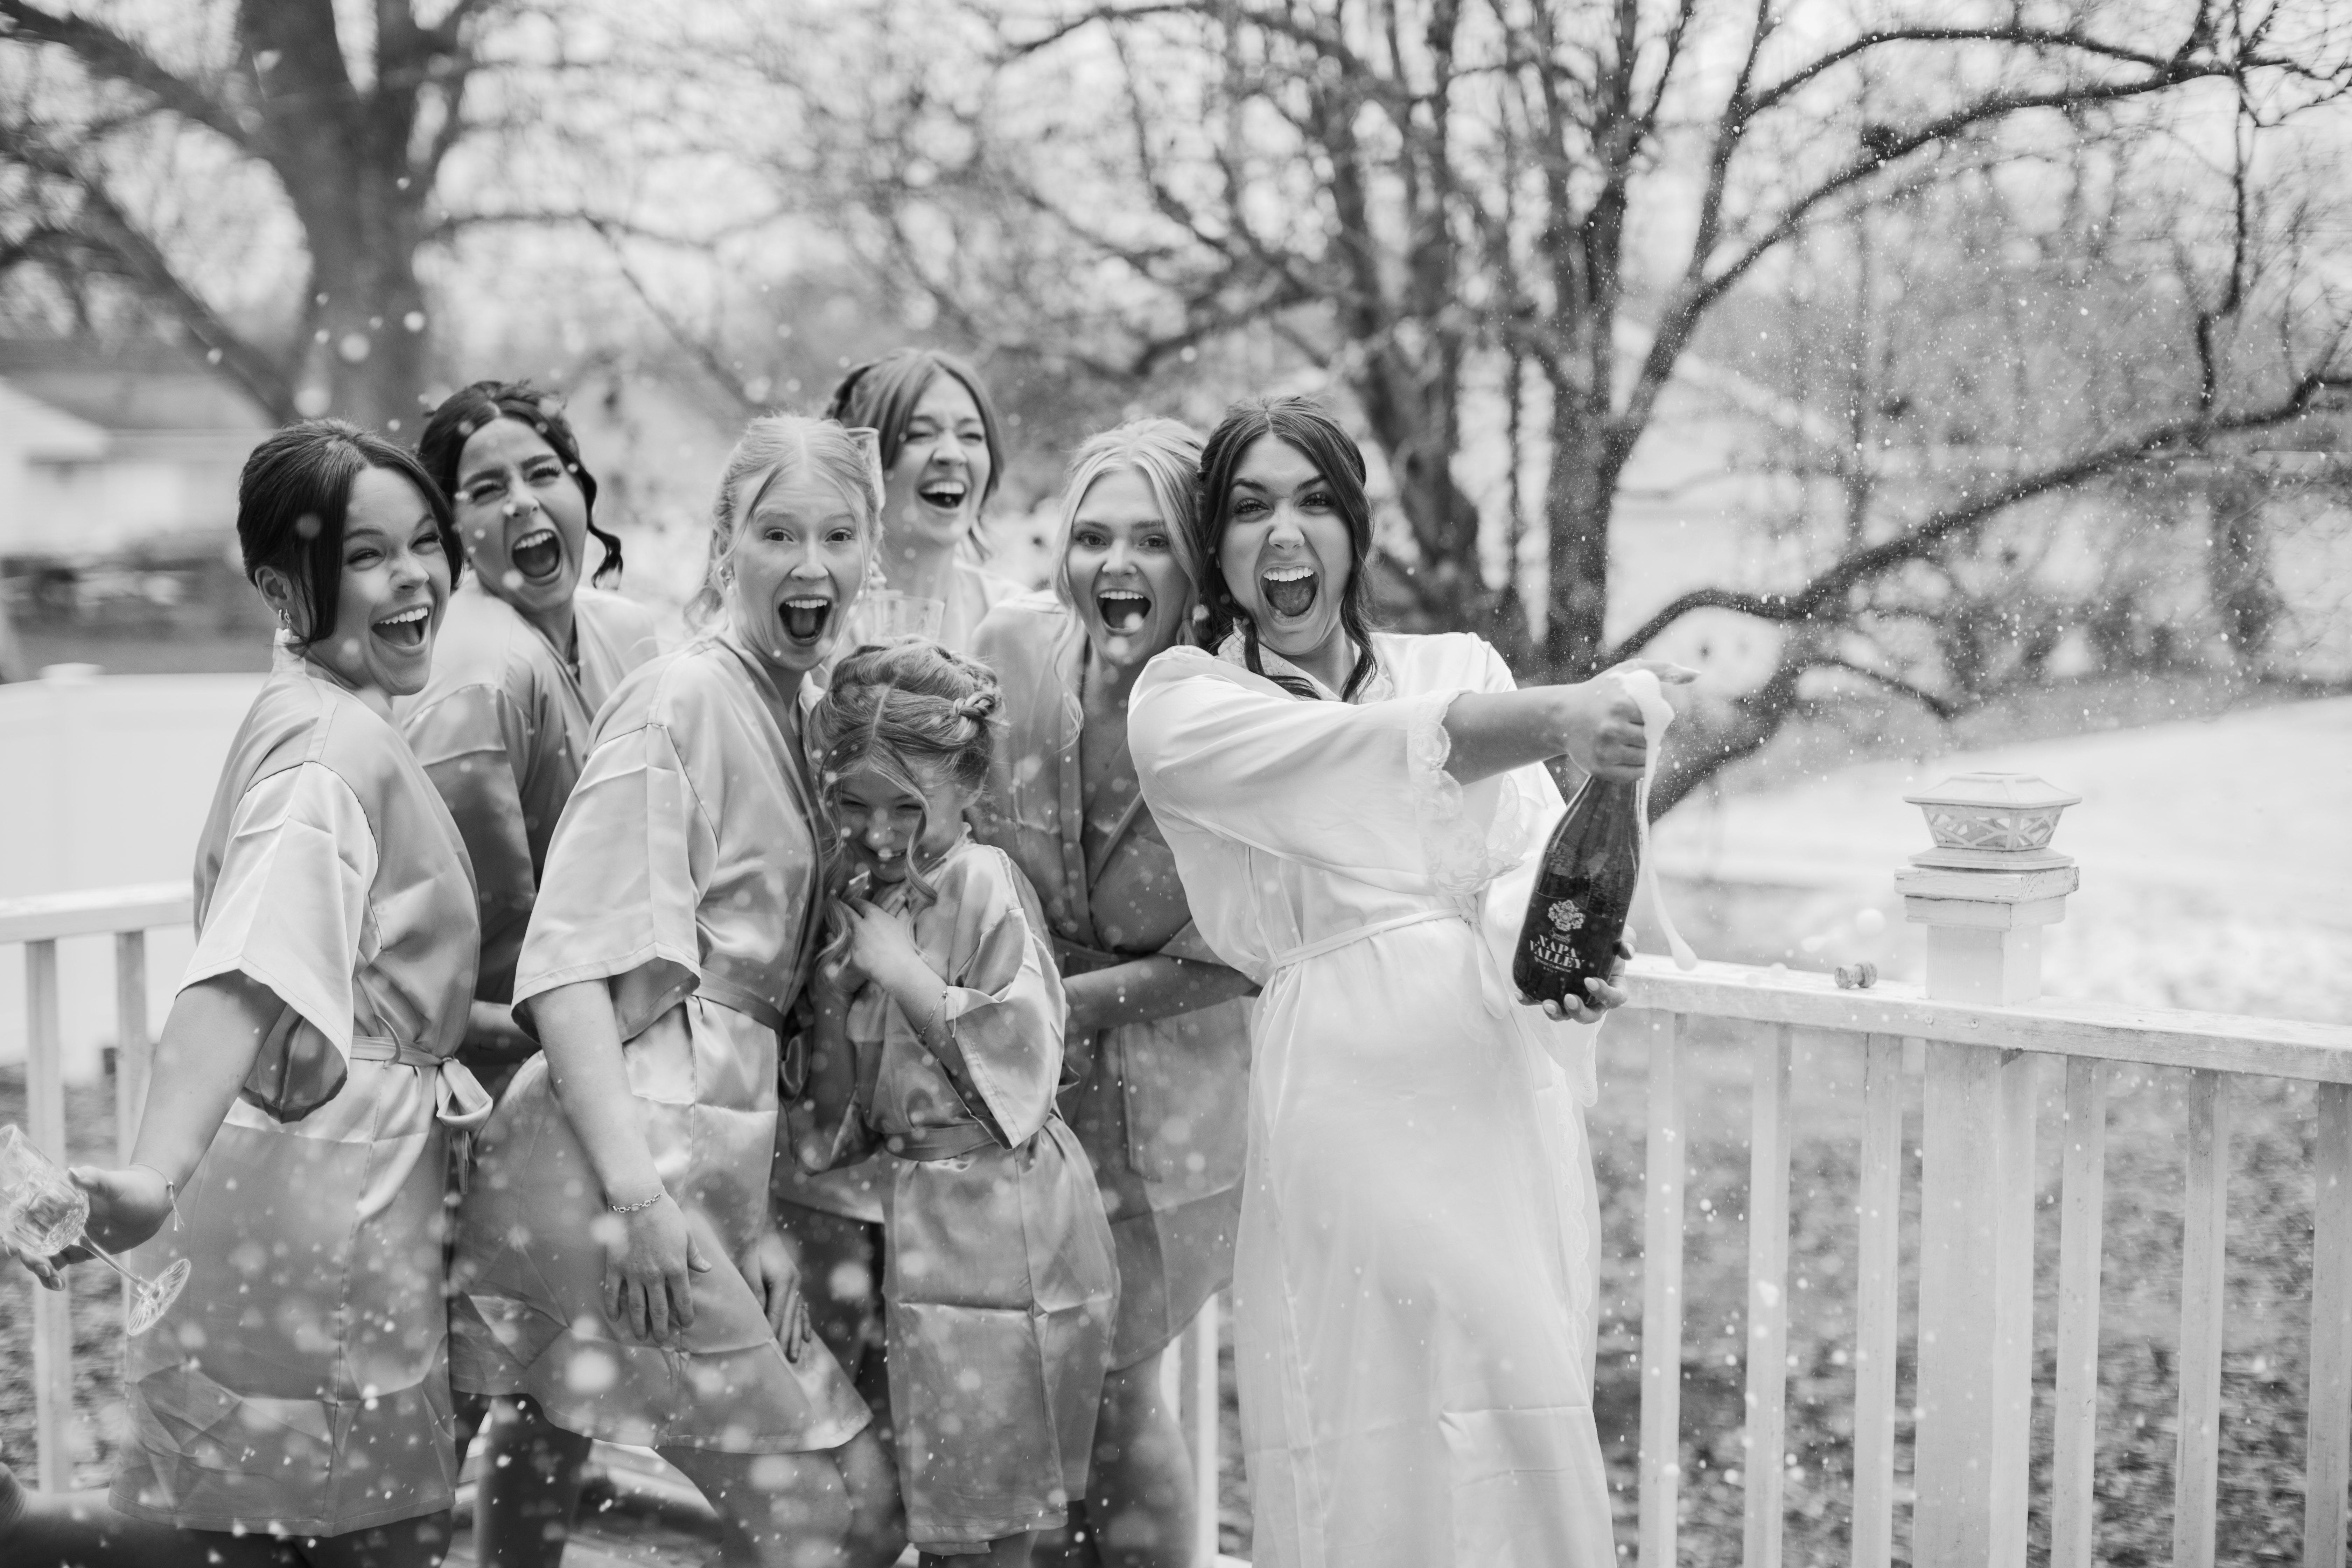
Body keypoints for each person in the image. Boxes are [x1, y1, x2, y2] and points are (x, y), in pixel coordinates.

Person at [1126, 397, 1683, 1568]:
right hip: (1341, 1085)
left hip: (1491, 1081)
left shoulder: (1457, 665)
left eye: (1315, 502)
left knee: (1522, 1392)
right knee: (1368, 1417)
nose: (1286, 532)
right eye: (1251, 508)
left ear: (1357, 530)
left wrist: (1558, 969)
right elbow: (1363, 764)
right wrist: (1559, 715)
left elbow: (1526, 869)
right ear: (1216, 546)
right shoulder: (1185, 702)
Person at [0, 420, 493, 1567]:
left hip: (306, 1174)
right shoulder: (327, 753)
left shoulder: (322, 718)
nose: (413, 576)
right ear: (280, 588)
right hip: (323, 1194)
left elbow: (360, 978)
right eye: (366, 555)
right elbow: (243, 971)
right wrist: (153, 1175)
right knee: (354, 1529)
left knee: (261, 1520)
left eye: (424, 542)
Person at [444, 415, 900, 1568]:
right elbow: (567, 970)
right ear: (723, 544)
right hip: (618, 1162)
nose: (810, 563)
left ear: (870, 551)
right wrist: (641, 1200)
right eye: (778, 533)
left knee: (554, 1438)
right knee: (826, 1516)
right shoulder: (680, 699)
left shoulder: (802, 712)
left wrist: (750, 1219)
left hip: (701, 1165)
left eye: (838, 535)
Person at [971, 420, 1259, 1567]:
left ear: (1197, 564)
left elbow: (1246, 949)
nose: (1116, 565)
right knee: (1029, 1380)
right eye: (1093, 537)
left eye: (1151, 540)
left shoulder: (1237, 712)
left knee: (1117, 1381)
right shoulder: (1007, 651)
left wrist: (1063, 1006)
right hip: (1009, 1095)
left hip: (1170, 1101)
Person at [398, 382, 664, 1566]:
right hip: (485, 1090)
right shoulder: (475, 675)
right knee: (454, 1401)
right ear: (451, 529)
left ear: (581, 488)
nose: (523, 503)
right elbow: (458, 946)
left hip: (579, 1078)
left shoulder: (613, 632)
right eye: (485, 487)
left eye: (542, 472)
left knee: (550, 1395)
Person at [790, 640, 1118, 1567]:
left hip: (1006, 1207)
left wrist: (904, 973)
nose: (879, 831)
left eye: (906, 806)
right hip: (926, 1207)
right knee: (945, 1491)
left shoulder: (983, 881)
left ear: (968, 784)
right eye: (853, 804)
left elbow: (1023, 1061)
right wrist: (834, 1001)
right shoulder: (863, 893)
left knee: (990, 1497)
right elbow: (837, 1117)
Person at [821, 348, 1024, 652]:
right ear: (863, 460)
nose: (952, 455)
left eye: (971, 435)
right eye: (920, 434)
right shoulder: (814, 624)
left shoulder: (1019, 622)